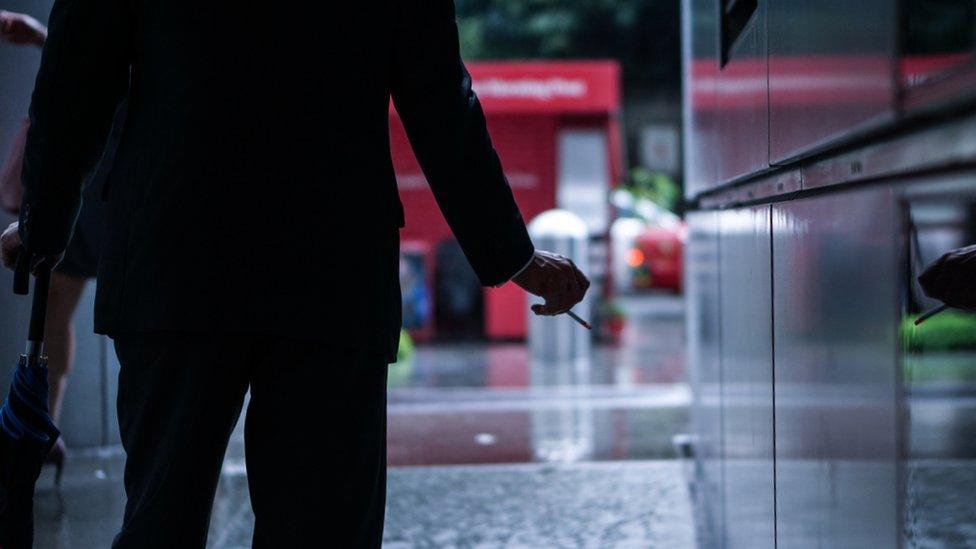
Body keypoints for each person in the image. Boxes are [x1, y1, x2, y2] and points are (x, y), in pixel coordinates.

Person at [0, 1, 590, 547]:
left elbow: (76, 74)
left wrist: (43, 223)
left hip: (178, 253)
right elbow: (439, 100)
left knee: (162, 515)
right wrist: (514, 256)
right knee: (323, 528)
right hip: (332, 267)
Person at [0, 8, 114, 484]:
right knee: (57, 312)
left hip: (112, 172)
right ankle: (46, 425)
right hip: (111, 174)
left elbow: (99, 57)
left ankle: (44, 428)